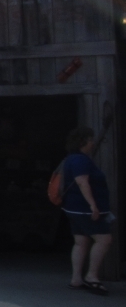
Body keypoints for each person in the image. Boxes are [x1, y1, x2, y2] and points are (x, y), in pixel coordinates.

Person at [61, 126, 114, 296]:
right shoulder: (80, 160)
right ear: (82, 141)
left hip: (73, 209)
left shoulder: (71, 159)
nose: (92, 143)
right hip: (84, 209)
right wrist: (93, 205)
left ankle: (76, 279)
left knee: (81, 242)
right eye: (90, 140)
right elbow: (82, 182)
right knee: (104, 239)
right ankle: (92, 276)